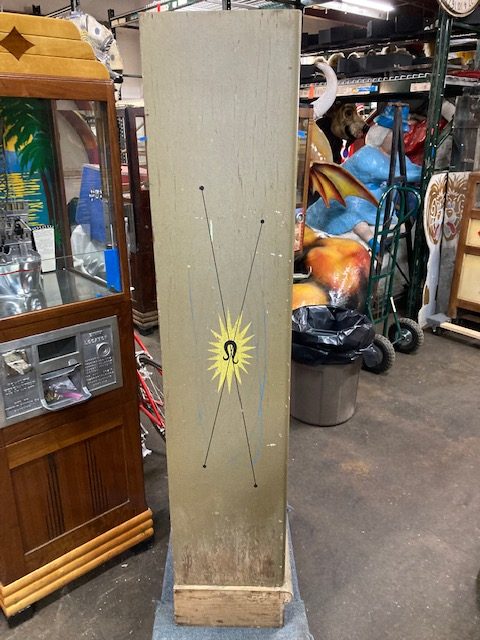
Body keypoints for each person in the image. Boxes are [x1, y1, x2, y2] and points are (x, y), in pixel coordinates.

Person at [306, 105, 422, 247]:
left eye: (401, 135)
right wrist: (421, 173)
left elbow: (410, 170)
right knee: (353, 210)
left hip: (378, 202)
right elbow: (395, 173)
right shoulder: (367, 155)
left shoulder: (397, 157)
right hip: (356, 197)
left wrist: (426, 170)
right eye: (395, 134)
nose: (400, 139)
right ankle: (371, 241)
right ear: (382, 135)